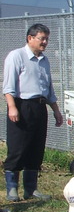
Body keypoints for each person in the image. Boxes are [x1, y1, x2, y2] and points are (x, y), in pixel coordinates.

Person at [3, 23, 64, 201]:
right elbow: (8, 85)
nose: (45, 42)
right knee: (18, 147)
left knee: (36, 148)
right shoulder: (17, 56)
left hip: (40, 106)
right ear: (30, 38)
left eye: (46, 39)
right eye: (41, 38)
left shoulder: (44, 60)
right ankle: (12, 188)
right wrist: (12, 106)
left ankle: (31, 189)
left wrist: (56, 111)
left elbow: (49, 89)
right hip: (22, 106)